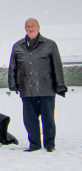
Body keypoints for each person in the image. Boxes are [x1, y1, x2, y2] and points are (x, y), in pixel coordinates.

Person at [8, 19, 66, 153]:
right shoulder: (18, 46)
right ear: (25, 29)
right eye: (28, 27)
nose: (30, 29)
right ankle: (34, 144)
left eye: (33, 26)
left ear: (38, 27)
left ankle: (49, 144)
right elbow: (13, 68)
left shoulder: (50, 44)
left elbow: (57, 66)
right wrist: (13, 85)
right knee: (30, 120)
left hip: (46, 89)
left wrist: (60, 85)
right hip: (27, 89)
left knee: (48, 119)